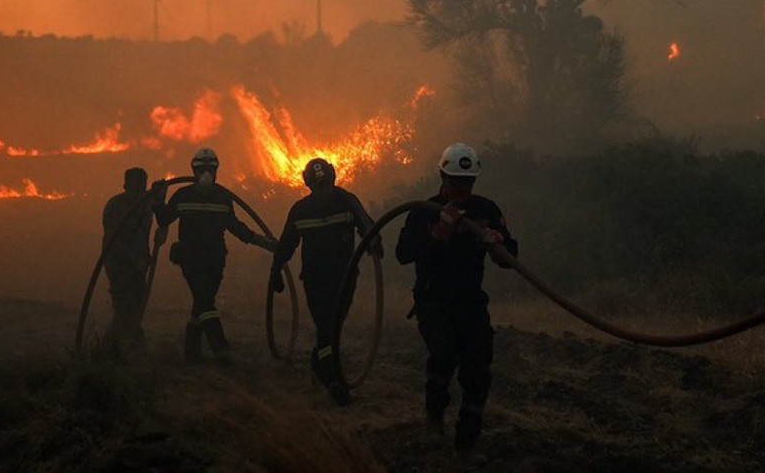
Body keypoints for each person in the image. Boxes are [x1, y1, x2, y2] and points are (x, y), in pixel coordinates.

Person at [395, 143, 518, 460]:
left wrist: (497, 243)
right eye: (454, 181)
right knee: (443, 355)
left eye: (467, 182)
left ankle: (466, 442)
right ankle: (434, 414)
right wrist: (439, 232)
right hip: (433, 301)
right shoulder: (425, 210)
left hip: (471, 303)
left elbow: (510, 258)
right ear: (442, 176)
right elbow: (403, 254)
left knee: (478, 372)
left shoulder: (486, 210)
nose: (461, 188)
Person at [270, 158, 383, 406]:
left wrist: (374, 242)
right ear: (309, 185)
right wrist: (276, 271)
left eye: (326, 184)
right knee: (326, 326)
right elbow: (286, 244)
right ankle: (333, 381)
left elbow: (366, 225)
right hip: (316, 281)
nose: (324, 190)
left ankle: (319, 365)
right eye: (319, 186)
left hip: (345, 278)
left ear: (333, 179)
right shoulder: (300, 210)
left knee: (332, 328)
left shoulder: (347, 200)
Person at [152, 148, 277, 366]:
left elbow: (235, 227)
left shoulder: (223, 197)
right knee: (205, 302)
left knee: (201, 303)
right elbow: (164, 219)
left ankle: (191, 352)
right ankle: (221, 349)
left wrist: (262, 242)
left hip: (215, 259)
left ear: (216, 170)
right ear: (194, 170)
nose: (206, 174)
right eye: (202, 169)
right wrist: (158, 200)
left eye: (210, 169)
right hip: (190, 259)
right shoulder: (182, 195)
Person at [102, 167, 154, 359]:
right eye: (135, 186)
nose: (138, 190)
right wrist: (134, 261)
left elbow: (159, 206)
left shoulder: (146, 204)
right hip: (118, 264)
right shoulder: (115, 206)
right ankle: (119, 345)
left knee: (135, 302)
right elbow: (112, 241)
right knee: (124, 303)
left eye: (142, 186)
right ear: (125, 185)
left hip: (140, 263)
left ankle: (118, 345)